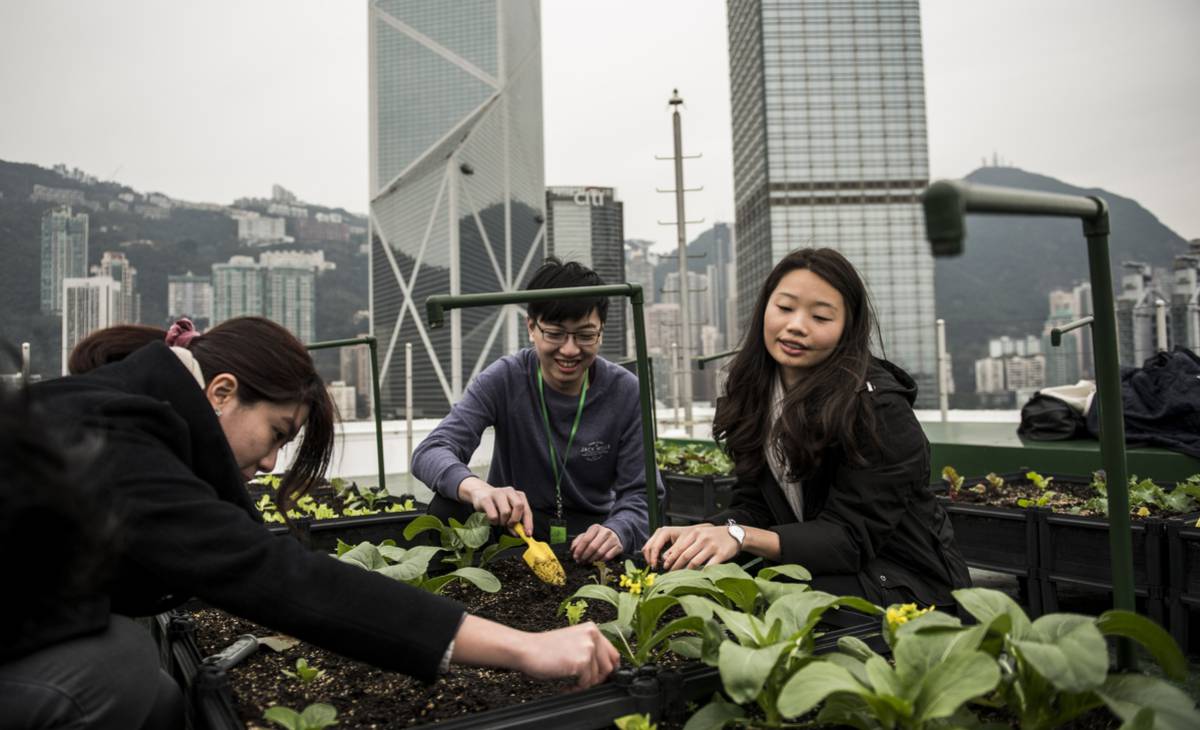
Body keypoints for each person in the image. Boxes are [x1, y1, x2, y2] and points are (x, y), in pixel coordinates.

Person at [2, 317, 616, 729]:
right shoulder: (122, 440)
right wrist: (525, 647)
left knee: (133, 659)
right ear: (220, 391)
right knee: (123, 676)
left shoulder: (115, 407)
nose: (270, 462)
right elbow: (275, 576)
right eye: (277, 435)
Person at [642, 248, 970, 608]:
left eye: (820, 317)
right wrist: (707, 530)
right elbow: (756, 505)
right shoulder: (754, 392)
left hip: (902, 584)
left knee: (761, 610)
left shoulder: (878, 409)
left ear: (848, 328)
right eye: (784, 308)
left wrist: (738, 535)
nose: (797, 325)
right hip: (819, 571)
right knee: (677, 583)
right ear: (765, 308)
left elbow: (850, 540)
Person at [413, 257, 664, 564]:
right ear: (531, 327)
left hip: (590, 541)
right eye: (555, 333)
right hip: (516, 531)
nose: (570, 350)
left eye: (585, 335)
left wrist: (618, 530)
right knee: (448, 507)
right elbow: (431, 450)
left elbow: (642, 493)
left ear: (601, 332)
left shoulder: (625, 391)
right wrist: (477, 488)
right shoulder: (506, 377)